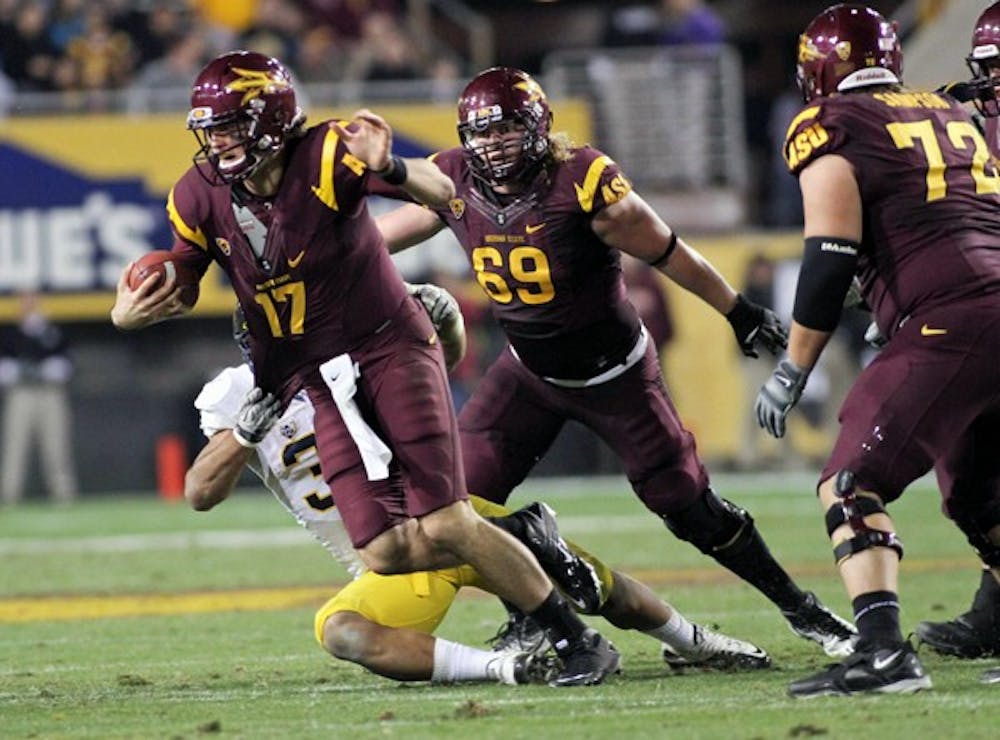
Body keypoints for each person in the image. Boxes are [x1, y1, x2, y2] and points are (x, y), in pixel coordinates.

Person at [109, 50, 619, 688]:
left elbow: (446, 195)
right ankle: (522, 533)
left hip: (386, 347)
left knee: (446, 521)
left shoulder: (327, 153)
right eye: (212, 129)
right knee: (383, 551)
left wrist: (394, 166)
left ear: (270, 118)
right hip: (313, 377)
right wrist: (131, 312)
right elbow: (181, 281)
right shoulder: (197, 194)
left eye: (233, 126)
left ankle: (579, 641)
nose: (219, 141)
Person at [375, 65, 856, 661]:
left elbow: (669, 251)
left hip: (616, 378)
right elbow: (379, 239)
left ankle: (800, 608)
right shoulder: (450, 180)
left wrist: (737, 311)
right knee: (467, 502)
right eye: (481, 133)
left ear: (537, 127)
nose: (492, 144)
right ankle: (532, 616)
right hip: (527, 373)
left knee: (689, 508)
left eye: (505, 130)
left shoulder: (581, 182)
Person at [184, 300, 772, 684]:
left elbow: (431, 383)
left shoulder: (351, 364)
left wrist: (450, 331)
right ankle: (511, 668)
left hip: (448, 520)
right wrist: (245, 433)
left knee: (596, 589)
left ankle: (695, 641)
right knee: (342, 632)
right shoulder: (235, 395)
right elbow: (200, 491)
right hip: (391, 564)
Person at [754, 3, 1000, 697]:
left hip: (952, 320)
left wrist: (793, 368)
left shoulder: (831, 124)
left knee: (849, 485)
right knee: (982, 498)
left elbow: (828, 259)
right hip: (986, 301)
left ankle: (884, 653)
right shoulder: (952, 113)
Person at [915, 1, 1000, 668]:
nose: (992, 82)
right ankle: (994, 607)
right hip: (979, 313)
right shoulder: (965, 119)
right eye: (989, 70)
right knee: (968, 470)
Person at [0, 292, 78, 504]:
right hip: (21, 394)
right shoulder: (10, 334)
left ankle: (64, 496)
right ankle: (9, 496)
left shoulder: (53, 332)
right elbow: (5, 368)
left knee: (56, 446)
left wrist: (43, 370)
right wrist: (22, 371)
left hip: (50, 393)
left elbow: (65, 365)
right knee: (15, 446)